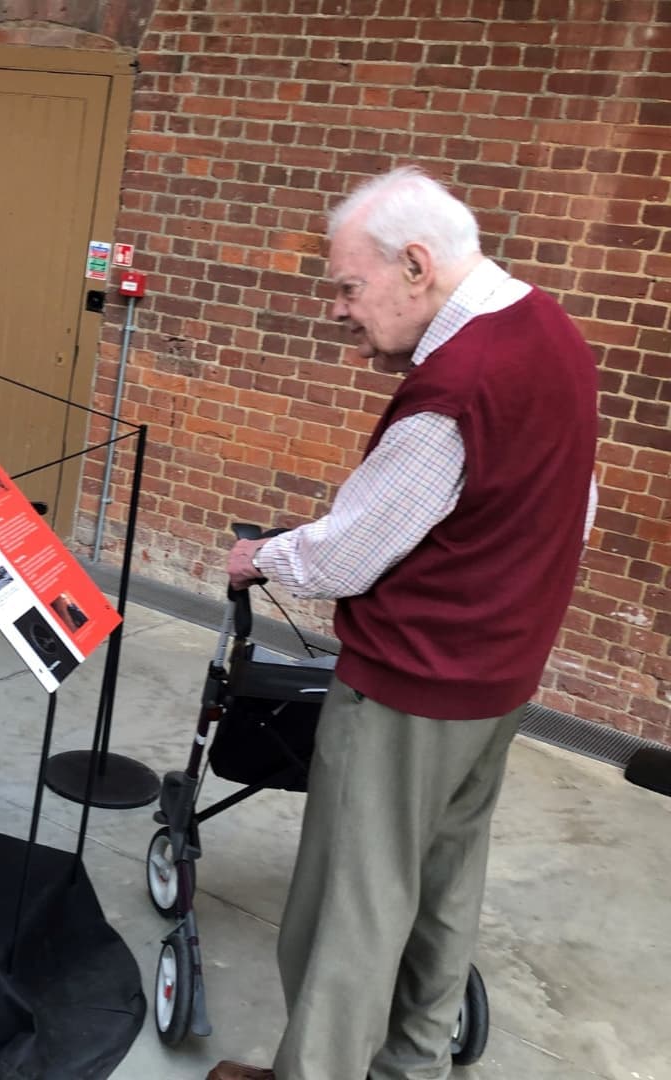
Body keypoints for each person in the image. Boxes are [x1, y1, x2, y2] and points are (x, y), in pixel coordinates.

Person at [208, 166, 598, 1080]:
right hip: (498, 680)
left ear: (416, 264)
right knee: (444, 884)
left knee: (351, 904)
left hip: (410, 690)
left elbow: (348, 552)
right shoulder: (552, 332)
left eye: (349, 287)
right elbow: (572, 508)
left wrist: (258, 556)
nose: (340, 311)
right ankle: (413, 1066)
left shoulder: (457, 387)